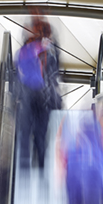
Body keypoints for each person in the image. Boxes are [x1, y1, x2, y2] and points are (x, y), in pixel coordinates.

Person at [16, 14, 61, 169]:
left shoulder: (49, 52)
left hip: (42, 96)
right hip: (33, 94)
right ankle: (28, 164)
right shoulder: (28, 50)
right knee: (31, 130)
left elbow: (54, 74)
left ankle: (38, 162)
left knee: (38, 131)